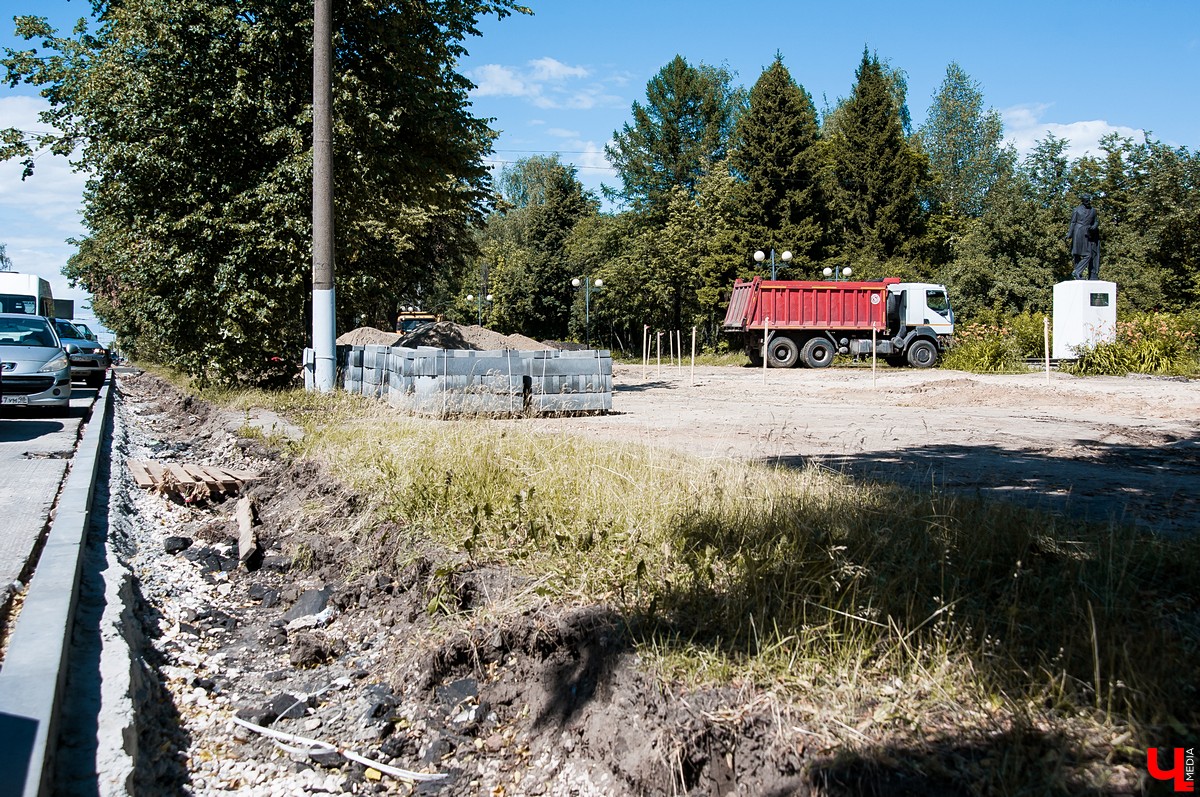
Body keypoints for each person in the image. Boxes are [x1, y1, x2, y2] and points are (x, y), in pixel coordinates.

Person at [1067, 193, 1100, 280]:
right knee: (1077, 254)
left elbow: (1096, 221)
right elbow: (1073, 222)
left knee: (1088, 254)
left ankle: (1077, 271)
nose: (1088, 202)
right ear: (1082, 201)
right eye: (1086, 201)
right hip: (1078, 232)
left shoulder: (1093, 210)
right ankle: (1078, 274)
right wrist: (1069, 234)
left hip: (1088, 234)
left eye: (1089, 200)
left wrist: (1094, 226)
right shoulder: (1077, 210)